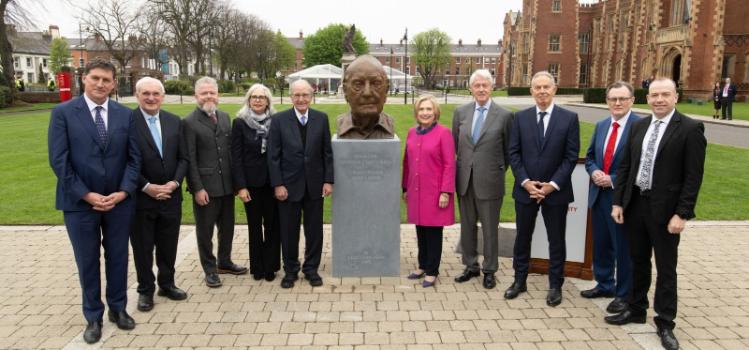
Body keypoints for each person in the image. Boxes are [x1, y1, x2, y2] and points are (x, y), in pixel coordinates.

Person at [605, 78, 706, 350]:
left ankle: (665, 322)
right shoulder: (639, 126)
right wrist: (618, 203)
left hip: (666, 211)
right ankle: (636, 309)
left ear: (675, 97)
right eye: (654, 95)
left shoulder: (690, 128)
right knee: (637, 261)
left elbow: (693, 177)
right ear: (647, 98)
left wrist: (682, 214)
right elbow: (626, 167)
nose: (659, 100)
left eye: (665, 94)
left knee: (666, 268)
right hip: (635, 205)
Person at [47, 59, 141, 343]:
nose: (101, 84)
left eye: (107, 80)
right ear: (84, 79)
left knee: (118, 258)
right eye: (96, 78)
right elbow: (59, 161)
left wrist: (123, 192)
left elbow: (134, 159)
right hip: (79, 204)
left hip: (118, 202)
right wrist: (87, 194)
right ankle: (93, 317)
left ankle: (118, 308)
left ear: (114, 84)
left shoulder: (125, 115)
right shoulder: (64, 113)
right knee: (87, 262)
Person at [505, 71, 580, 307]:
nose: (542, 91)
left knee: (556, 240)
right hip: (525, 190)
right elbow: (513, 154)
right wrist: (526, 182)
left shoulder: (569, 118)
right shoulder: (520, 118)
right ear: (531, 91)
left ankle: (556, 285)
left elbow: (570, 158)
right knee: (522, 237)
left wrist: (551, 186)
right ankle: (519, 280)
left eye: (546, 87)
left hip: (555, 192)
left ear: (554, 89)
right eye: (537, 87)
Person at [581, 81, 641, 315]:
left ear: (631, 101)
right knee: (602, 244)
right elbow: (589, 157)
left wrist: (613, 178)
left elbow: (640, 166)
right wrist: (593, 170)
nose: (617, 103)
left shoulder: (640, 126)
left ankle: (624, 293)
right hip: (599, 196)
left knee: (623, 249)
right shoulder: (602, 125)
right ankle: (605, 284)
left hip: (623, 200)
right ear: (607, 101)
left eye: (622, 99)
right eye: (613, 99)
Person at [130, 77, 188, 312]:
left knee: (168, 244)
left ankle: (167, 283)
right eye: (146, 94)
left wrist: (175, 183)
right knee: (143, 247)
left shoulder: (174, 121)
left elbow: (184, 157)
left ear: (163, 97)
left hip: (171, 197)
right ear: (137, 96)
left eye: (156, 94)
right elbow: (124, 161)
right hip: (142, 198)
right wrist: (147, 187)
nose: (151, 98)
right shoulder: (127, 122)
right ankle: (145, 290)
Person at [268, 79, 334, 288]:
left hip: (315, 185)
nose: (301, 99)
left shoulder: (321, 119)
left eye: (305, 95)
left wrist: (328, 180)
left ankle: (311, 269)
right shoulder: (279, 120)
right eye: (297, 95)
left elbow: (327, 153)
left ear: (311, 96)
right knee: (289, 231)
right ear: (291, 97)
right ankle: (291, 270)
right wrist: (278, 184)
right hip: (288, 186)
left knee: (314, 231)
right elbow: (273, 156)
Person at [452, 69, 513, 290]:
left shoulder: (505, 115)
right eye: (477, 85)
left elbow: (508, 151)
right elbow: (455, 145)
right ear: (471, 88)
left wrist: (495, 170)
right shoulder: (460, 113)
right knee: (467, 227)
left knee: (490, 229)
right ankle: (470, 266)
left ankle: (489, 269)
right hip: (465, 181)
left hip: (490, 181)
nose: (481, 89)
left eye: (485, 85)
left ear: (491, 87)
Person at [184, 76, 247, 289]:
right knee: (205, 231)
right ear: (196, 96)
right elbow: (190, 159)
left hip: (226, 185)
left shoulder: (225, 117)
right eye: (204, 93)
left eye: (212, 92)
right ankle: (210, 269)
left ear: (217, 95)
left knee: (227, 227)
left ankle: (225, 261)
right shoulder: (189, 122)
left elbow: (229, 152)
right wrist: (197, 188)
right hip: (205, 188)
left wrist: (237, 184)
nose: (209, 96)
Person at [402, 95, 455, 288]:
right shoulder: (411, 132)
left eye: (428, 109)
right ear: (417, 112)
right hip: (416, 191)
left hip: (435, 192)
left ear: (435, 112)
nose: (425, 113)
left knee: (433, 232)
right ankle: (422, 265)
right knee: (420, 229)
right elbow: (407, 162)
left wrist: (445, 192)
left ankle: (432, 271)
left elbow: (450, 165)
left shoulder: (444, 133)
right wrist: (405, 188)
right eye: (421, 109)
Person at [231, 84, 281, 282]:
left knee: (272, 225)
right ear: (249, 100)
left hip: (272, 182)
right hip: (250, 184)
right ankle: (257, 267)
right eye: (254, 97)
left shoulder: (276, 122)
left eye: (262, 97)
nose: (258, 100)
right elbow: (236, 157)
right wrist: (240, 187)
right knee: (254, 226)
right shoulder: (240, 123)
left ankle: (271, 266)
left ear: (268, 100)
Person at [336, 54, 396, 139]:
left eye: (376, 84)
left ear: (386, 90)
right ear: (345, 91)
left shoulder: (390, 125)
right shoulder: (340, 124)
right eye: (358, 84)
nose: (367, 93)